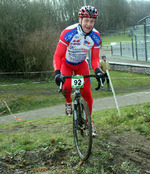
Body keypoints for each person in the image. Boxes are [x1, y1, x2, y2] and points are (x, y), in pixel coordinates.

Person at [53, 5, 103, 136]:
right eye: (86, 20)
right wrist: (57, 72)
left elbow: (95, 58)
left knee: (86, 93)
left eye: (92, 21)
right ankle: (68, 101)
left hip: (81, 64)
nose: (89, 24)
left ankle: (89, 121)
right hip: (67, 64)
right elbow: (58, 55)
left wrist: (97, 70)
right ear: (80, 19)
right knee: (67, 87)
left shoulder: (96, 36)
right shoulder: (68, 33)